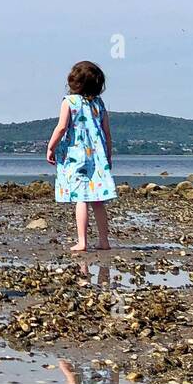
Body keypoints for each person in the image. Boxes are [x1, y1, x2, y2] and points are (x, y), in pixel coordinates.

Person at [46, 60, 116, 252]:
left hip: (76, 155)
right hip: (97, 156)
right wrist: (108, 156)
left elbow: (61, 128)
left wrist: (51, 147)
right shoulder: (99, 104)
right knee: (98, 200)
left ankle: (82, 241)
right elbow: (107, 133)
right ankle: (104, 241)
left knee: (81, 198)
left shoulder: (69, 102)